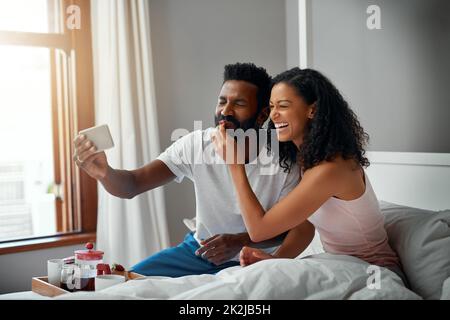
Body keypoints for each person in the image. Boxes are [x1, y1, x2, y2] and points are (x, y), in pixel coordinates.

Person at [72, 62, 304, 277]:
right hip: (198, 251)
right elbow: (132, 184)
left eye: (239, 104)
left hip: (252, 259)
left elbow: (292, 229)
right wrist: (105, 173)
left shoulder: (285, 160)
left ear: (263, 114)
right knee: (130, 282)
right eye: (222, 101)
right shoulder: (196, 144)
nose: (226, 111)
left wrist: (238, 241)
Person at [213, 67, 408, 286]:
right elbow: (304, 224)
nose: (274, 115)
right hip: (342, 265)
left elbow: (258, 231)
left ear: (312, 110)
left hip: (374, 273)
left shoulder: (331, 169)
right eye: (271, 106)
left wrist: (234, 164)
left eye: (283, 106)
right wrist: (276, 260)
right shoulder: (308, 160)